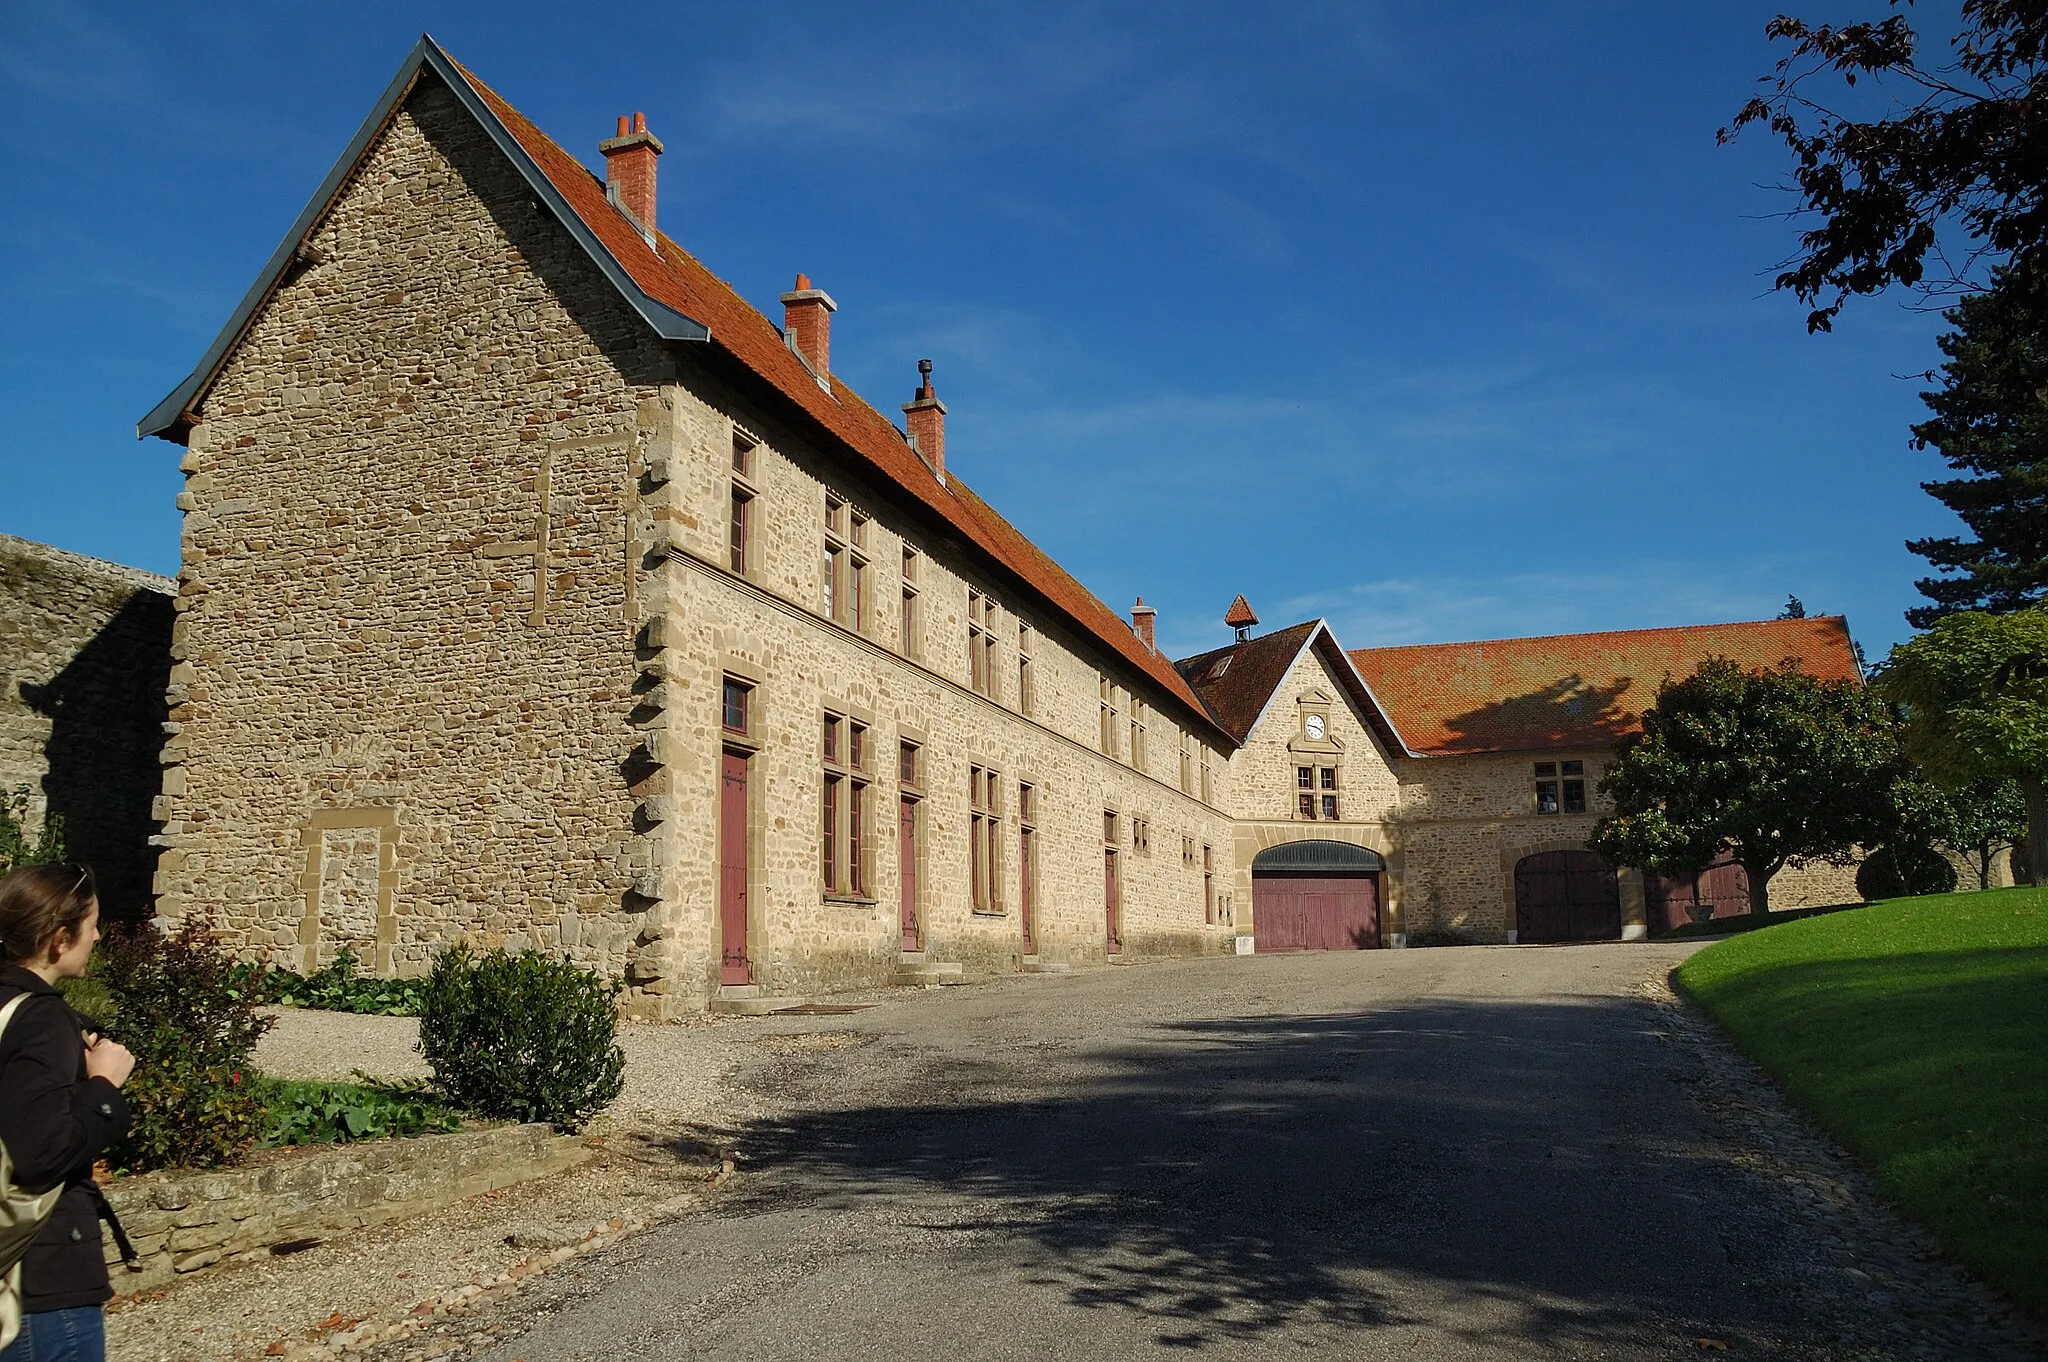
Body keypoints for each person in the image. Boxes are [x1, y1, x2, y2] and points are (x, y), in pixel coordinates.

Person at [0, 865, 135, 1362]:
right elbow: (42, 1154)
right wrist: (104, 1084)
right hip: (35, 1276)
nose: (98, 934)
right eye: (93, 922)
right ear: (60, 937)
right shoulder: (40, 1016)